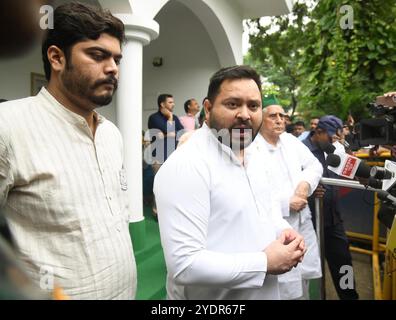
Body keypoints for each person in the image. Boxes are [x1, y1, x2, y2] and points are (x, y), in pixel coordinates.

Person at [0, 3, 137, 299]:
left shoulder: (112, 135)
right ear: (57, 57)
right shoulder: (7, 126)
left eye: (117, 59)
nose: (113, 68)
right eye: (98, 55)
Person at [154, 65, 306, 300]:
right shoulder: (187, 165)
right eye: (233, 104)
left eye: (253, 106)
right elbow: (185, 264)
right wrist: (264, 263)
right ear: (208, 108)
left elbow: (266, 210)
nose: (245, 114)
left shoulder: (255, 153)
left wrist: (284, 230)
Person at [254, 101, 322, 299]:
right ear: (261, 119)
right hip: (277, 227)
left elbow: (314, 165)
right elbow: (255, 189)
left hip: (303, 220)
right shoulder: (252, 148)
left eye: (282, 116)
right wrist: (286, 203)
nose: (279, 120)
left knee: (304, 279)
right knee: (283, 287)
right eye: (273, 116)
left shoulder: (290, 141)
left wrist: (304, 186)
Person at [303, 115, 359, 300]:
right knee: (309, 271)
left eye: (337, 138)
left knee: (344, 265)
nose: (335, 143)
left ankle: (350, 296)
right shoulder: (300, 151)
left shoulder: (334, 149)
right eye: (332, 138)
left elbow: (348, 172)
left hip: (333, 220)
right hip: (308, 223)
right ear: (318, 132)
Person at [147, 94, 184, 217]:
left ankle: (171, 211)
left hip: (173, 156)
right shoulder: (153, 118)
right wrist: (169, 118)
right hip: (159, 156)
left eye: (173, 102)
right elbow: (171, 132)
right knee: (160, 186)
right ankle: (157, 212)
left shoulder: (176, 118)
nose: (173, 104)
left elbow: (180, 134)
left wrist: (168, 133)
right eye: (170, 102)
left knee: (174, 185)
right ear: (162, 104)